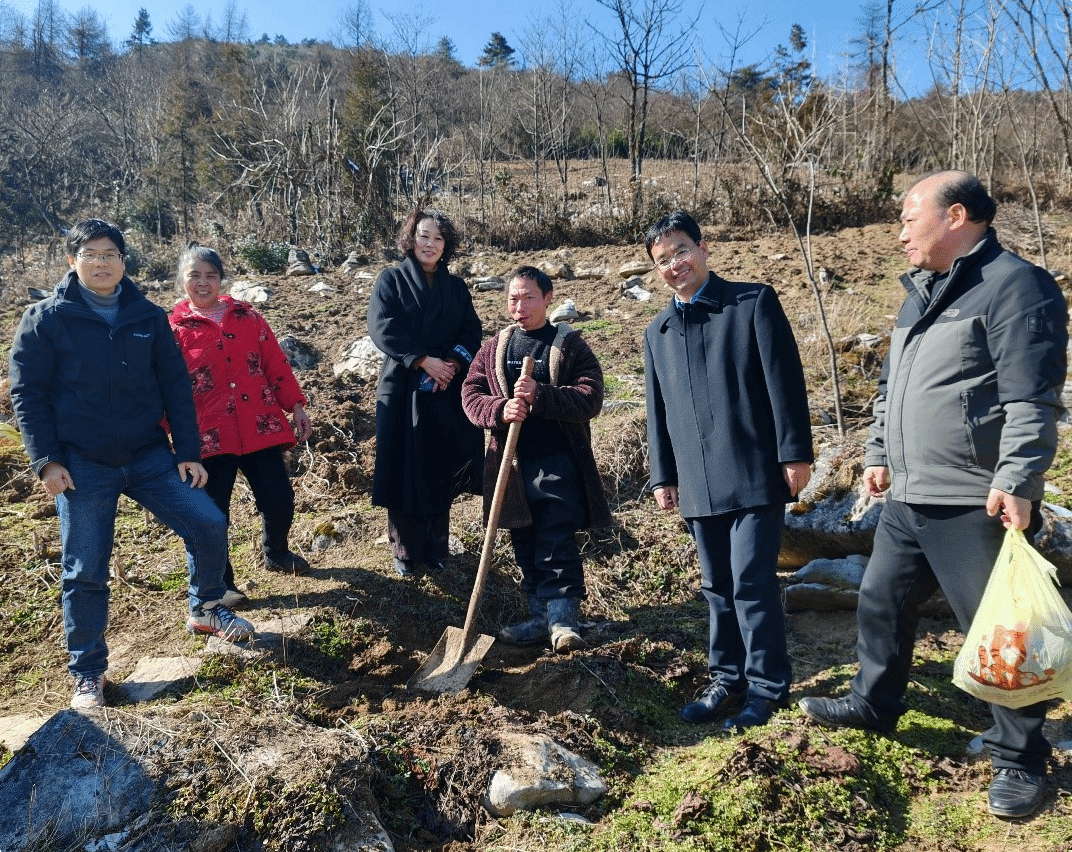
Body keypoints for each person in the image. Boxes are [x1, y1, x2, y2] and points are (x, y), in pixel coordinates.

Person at [798, 171, 1068, 819]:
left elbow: (1031, 398)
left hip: (975, 496)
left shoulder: (1016, 286)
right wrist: (879, 456)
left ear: (956, 216)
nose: (899, 234)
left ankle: (1021, 759)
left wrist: (1017, 479)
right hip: (909, 494)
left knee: (1002, 632)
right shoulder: (920, 293)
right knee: (881, 601)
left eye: (907, 218)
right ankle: (873, 703)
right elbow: (892, 390)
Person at [7, 219, 254, 710]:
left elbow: (175, 386)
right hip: (82, 463)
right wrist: (46, 461)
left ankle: (206, 606)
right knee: (85, 570)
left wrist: (188, 452)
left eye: (110, 255)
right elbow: (27, 394)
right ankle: (88, 672)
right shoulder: (45, 319)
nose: (101, 263)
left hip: (147, 455)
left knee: (207, 521)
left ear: (123, 261)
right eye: (90, 254)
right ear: (72, 260)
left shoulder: (146, 316)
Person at [643, 210, 814, 731]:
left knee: (751, 583)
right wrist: (663, 475)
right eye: (662, 260)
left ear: (703, 248)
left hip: (754, 470)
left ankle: (766, 688)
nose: (675, 264)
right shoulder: (658, 332)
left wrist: (795, 453)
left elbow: (785, 381)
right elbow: (657, 411)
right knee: (716, 586)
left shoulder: (751, 303)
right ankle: (727, 679)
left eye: (681, 250)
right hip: (697, 481)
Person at [462, 266, 612, 652]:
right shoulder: (495, 347)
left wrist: (541, 395)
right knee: (524, 540)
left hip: (558, 462)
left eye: (528, 297)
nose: (520, 306)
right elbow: (471, 395)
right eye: (513, 298)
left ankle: (563, 621)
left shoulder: (569, 345)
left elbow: (591, 397)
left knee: (556, 539)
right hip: (510, 466)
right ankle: (539, 618)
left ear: (548, 298)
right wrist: (501, 410)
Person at [169, 244, 313, 608]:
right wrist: (167, 433)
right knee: (213, 513)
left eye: (211, 275)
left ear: (221, 279)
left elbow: (275, 363)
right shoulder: (173, 330)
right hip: (208, 435)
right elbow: (164, 386)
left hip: (259, 425)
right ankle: (221, 582)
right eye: (194, 276)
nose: (203, 283)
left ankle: (276, 552)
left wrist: (295, 406)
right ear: (182, 280)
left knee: (279, 497)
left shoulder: (248, 318)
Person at [367, 209, 483, 576]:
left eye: (438, 238)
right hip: (402, 387)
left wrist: (451, 364)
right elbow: (382, 326)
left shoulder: (456, 287)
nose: (430, 244)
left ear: (446, 245)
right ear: (410, 239)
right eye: (423, 235)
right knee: (403, 467)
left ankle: (435, 550)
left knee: (439, 466)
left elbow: (471, 330)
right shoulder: (391, 280)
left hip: (444, 387)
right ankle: (404, 551)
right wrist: (421, 360)